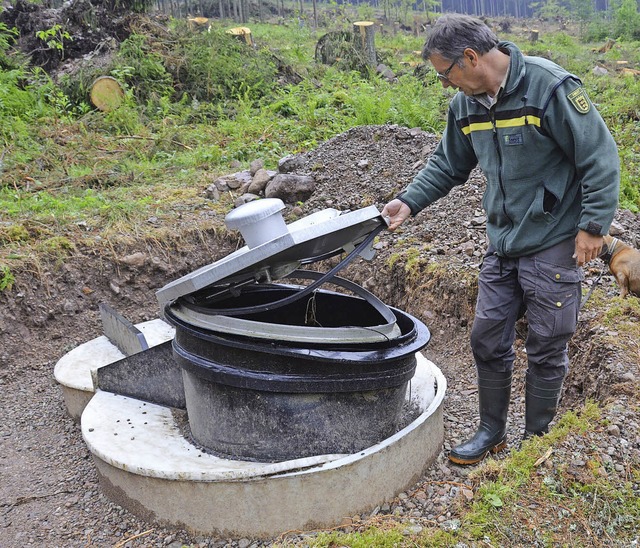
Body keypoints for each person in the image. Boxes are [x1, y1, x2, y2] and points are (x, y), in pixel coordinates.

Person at [382, 14, 620, 465]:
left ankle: (536, 441)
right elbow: (448, 164)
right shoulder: (466, 106)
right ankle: (491, 430)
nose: (446, 84)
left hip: (552, 238)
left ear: (470, 58)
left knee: (548, 344)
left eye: (445, 74)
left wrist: (593, 226)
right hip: (503, 243)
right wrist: (408, 202)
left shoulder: (549, 87)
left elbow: (599, 157)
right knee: (487, 337)